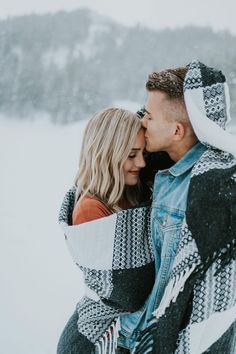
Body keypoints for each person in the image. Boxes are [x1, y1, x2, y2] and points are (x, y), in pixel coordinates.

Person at [118, 60, 236, 353]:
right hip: (137, 330)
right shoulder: (161, 172)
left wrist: (163, 332)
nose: (141, 122)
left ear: (177, 132)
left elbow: (211, 289)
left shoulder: (211, 192)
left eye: (149, 116)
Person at [57, 107, 155, 354]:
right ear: (106, 154)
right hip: (96, 337)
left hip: (124, 331)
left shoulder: (130, 191)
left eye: (143, 153)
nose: (141, 163)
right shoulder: (90, 210)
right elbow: (126, 289)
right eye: (132, 155)